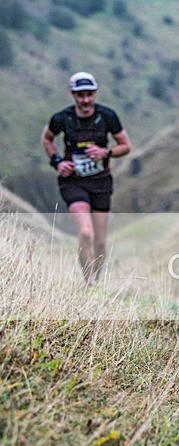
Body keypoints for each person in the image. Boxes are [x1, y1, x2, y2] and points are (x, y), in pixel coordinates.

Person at [41, 71, 131, 285]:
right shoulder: (62, 118)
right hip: (74, 182)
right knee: (86, 232)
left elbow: (126, 146)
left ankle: (96, 281)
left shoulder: (107, 116)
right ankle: (88, 281)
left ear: (95, 93)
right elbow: (47, 139)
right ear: (72, 94)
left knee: (100, 242)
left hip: (101, 182)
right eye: (80, 95)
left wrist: (105, 152)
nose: (86, 100)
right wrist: (57, 162)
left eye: (89, 94)